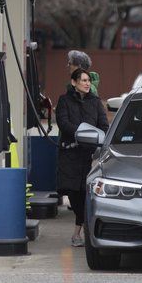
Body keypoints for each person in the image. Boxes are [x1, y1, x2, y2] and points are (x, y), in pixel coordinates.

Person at [55, 68, 109, 247]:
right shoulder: (64, 100)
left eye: (88, 81)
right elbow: (63, 123)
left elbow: (103, 125)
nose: (87, 84)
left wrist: (97, 139)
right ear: (74, 83)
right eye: (83, 80)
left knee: (86, 193)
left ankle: (78, 233)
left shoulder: (95, 102)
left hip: (89, 155)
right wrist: (81, 133)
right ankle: (82, 228)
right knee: (72, 193)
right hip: (70, 154)